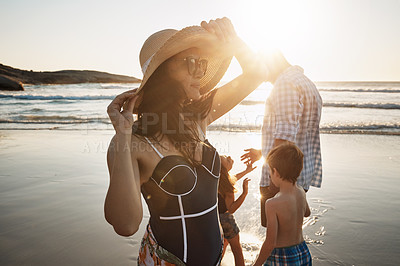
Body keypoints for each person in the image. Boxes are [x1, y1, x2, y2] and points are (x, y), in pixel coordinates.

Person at [104, 17, 267, 265]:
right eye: (192, 63)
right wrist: (123, 137)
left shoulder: (197, 118)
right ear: (162, 71)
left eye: (203, 63)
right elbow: (125, 225)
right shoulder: (132, 140)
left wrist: (234, 42)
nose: (200, 72)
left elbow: (257, 74)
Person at [241, 50, 322, 227]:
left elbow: (285, 138)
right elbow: (296, 132)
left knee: (276, 236)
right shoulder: (306, 82)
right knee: (291, 233)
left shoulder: (285, 83)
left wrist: (274, 182)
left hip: (282, 177)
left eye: (260, 69)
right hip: (299, 174)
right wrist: (263, 153)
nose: (261, 76)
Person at [253, 143, 312, 266]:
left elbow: (270, 243)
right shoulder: (301, 191)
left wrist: (256, 264)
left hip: (282, 257)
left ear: (276, 172)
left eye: (270, 173)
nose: (269, 177)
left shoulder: (272, 204)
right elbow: (307, 213)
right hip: (302, 251)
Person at [218, 155, 255, 266]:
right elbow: (231, 208)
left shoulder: (216, 179)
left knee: (223, 243)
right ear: (224, 169)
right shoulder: (227, 186)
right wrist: (244, 193)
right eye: (226, 159)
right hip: (226, 221)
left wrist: (246, 171)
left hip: (214, 219)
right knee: (237, 250)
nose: (229, 156)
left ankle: (218, 263)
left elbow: (232, 178)